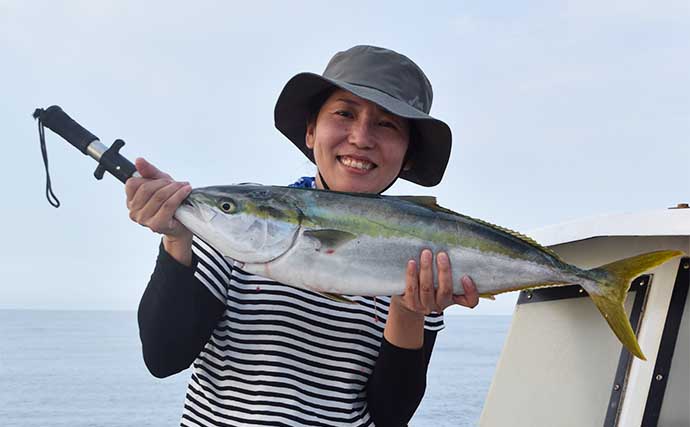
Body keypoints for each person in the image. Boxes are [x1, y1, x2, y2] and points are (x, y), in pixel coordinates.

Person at [126, 45, 479, 427]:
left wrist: (408, 309)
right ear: (311, 131)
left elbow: (390, 415)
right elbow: (164, 357)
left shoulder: (421, 254)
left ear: (408, 155)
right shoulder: (236, 224)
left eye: (387, 124)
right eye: (344, 113)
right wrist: (178, 240)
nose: (361, 138)